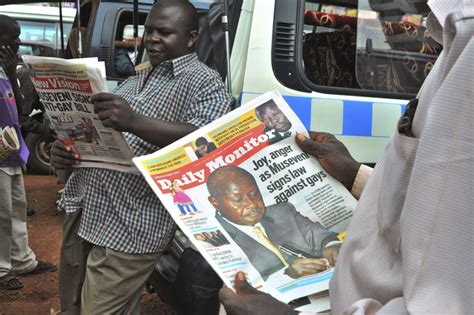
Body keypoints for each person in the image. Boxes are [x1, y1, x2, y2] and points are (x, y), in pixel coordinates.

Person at [219, 0, 473, 313]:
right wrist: (355, 174)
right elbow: (432, 206)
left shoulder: (468, 50)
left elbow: (443, 303)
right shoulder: (455, 40)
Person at [50, 1, 231, 314]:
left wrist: (134, 121)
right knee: (73, 306)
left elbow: (206, 145)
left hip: (133, 222)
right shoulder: (135, 81)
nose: (152, 38)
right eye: (148, 30)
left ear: (190, 39)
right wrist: (66, 153)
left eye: (164, 32)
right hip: (87, 208)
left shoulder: (205, 82)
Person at [0, 15, 57, 291]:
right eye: (13, 37)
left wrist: (11, 73)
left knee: (17, 209)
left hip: (10, 154)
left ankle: (22, 260)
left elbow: (20, 110)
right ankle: (1, 269)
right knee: (1, 214)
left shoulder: (7, 71)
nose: (18, 42)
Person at [207, 166, 340, 280]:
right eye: (238, 199)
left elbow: (319, 235)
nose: (252, 204)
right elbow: (242, 284)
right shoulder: (215, 240)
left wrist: (332, 246)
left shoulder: (283, 211)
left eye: (254, 194)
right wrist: (286, 275)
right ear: (215, 202)